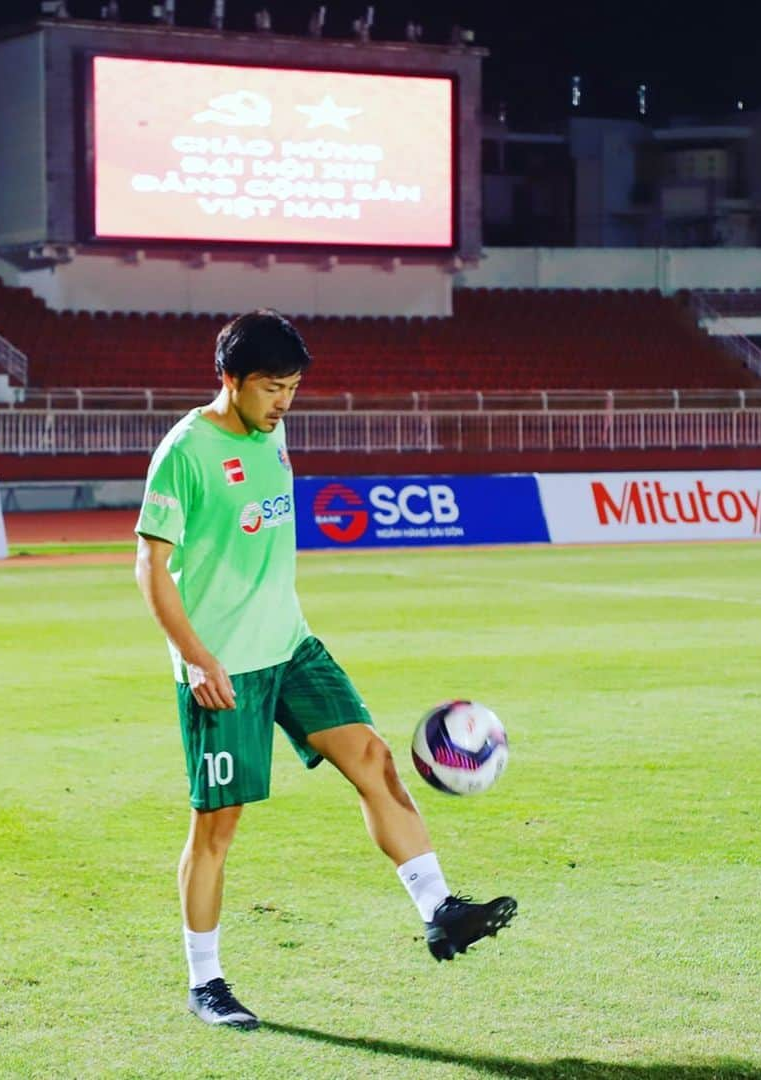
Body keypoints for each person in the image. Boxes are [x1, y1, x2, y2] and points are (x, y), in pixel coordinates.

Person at [134, 310, 516, 1031]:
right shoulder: (185, 451)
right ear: (230, 379)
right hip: (225, 669)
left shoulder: (270, 430)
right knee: (217, 828)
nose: (284, 403)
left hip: (292, 644)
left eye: (294, 388)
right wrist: (195, 657)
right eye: (272, 388)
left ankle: (440, 909)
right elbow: (149, 566)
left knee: (374, 759)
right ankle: (205, 981)